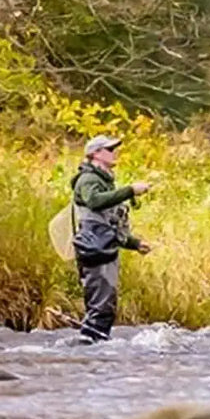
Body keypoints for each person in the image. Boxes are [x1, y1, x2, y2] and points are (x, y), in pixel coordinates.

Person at [70, 134, 152, 343]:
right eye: (110, 149)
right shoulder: (88, 179)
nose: (115, 152)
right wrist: (130, 190)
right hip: (94, 248)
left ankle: (96, 343)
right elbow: (95, 202)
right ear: (95, 154)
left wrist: (135, 244)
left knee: (106, 302)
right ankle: (90, 345)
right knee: (101, 304)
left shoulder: (104, 181)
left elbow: (108, 224)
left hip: (103, 245)